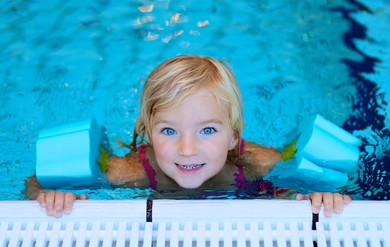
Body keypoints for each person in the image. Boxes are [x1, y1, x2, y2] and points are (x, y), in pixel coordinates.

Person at [24, 55, 351, 218]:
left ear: (234, 137)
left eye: (208, 130)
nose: (187, 148)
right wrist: (55, 195)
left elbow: (305, 188)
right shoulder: (133, 171)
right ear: (149, 135)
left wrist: (319, 197)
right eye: (169, 130)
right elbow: (34, 183)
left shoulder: (255, 163)